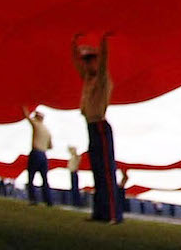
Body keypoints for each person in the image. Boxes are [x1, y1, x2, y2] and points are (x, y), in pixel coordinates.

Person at [73, 32, 122, 223]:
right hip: (91, 127)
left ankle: (112, 215)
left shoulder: (102, 79)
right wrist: (74, 44)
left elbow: (103, 65)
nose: (87, 64)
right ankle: (99, 213)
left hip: (100, 126)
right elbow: (77, 64)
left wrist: (103, 44)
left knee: (107, 173)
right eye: (86, 61)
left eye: (91, 60)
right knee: (97, 172)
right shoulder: (88, 79)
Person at [23, 108, 54, 205]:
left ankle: (33, 199)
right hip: (44, 155)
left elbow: (27, 117)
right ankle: (48, 200)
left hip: (35, 153)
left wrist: (24, 107)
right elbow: (50, 146)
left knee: (31, 177)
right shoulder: (47, 131)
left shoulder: (36, 124)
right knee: (45, 179)